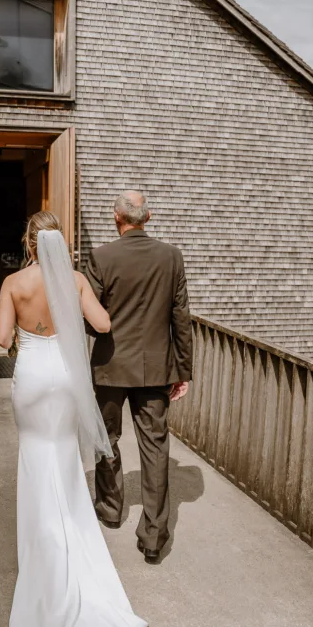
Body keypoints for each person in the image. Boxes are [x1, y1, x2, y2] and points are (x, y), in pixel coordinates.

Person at [0, 210, 148, 627]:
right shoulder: (76, 281)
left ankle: (42, 553)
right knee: (63, 458)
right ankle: (72, 537)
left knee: (34, 457)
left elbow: (4, 339)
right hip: (64, 376)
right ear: (59, 243)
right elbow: (102, 325)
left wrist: (12, 326)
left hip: (31, 378)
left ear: (29, 242)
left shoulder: (13, 284)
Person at [85, 191, 193, 565]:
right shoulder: (171, 256)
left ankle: (111, 510)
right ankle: (153, 537)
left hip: (110, 366)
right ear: (148, 217)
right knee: (155, 447)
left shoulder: (100, 257)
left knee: (106, 439)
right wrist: (184, 370)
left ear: (117, 217)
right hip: (156, 368)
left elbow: (90, 316)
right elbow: (181, 316)